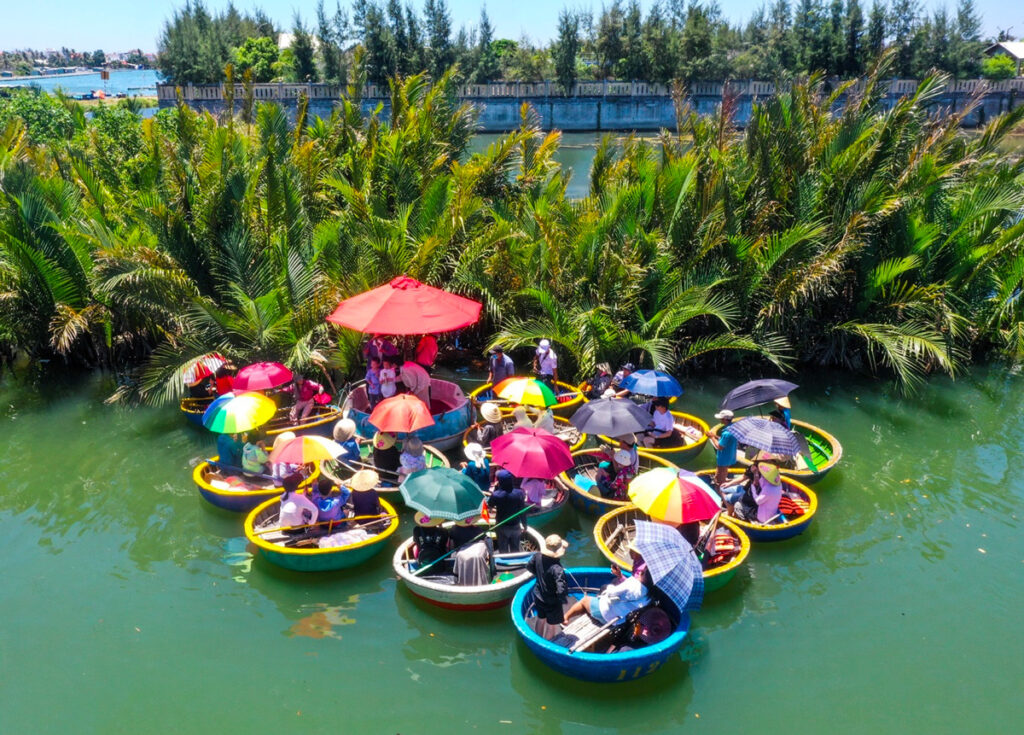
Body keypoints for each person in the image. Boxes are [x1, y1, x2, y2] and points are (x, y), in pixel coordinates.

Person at [564, 544, 651, 625]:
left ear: (642, 574)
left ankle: (565, 618)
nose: (629, 552)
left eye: (642, 573)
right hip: (620, 620)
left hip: (607, 615)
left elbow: (610, 593)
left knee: (585, 600)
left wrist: (610, 587)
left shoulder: (633, 582)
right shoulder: (650, 592)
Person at [529, 534, 570, 635]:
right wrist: (563, 600)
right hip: (552, 601)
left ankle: (538, 638)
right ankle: (548, 642)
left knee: (540, 618)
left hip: (539, 595)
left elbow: (529, 566)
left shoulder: (537, 556)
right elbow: (561, 589)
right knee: (551, 624)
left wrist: (539, 576)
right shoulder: (557, 568)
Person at [488, 469, 526, 553]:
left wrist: (496, 489)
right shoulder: (519, 493)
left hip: (501, 526)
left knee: (503, 549)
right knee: (515, 549)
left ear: (499, 482)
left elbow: (490, 506)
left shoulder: (496, 495)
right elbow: (522, 511)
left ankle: (503, 564)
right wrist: (525, 525)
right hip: (515, 526)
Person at [708, 409, 738, 487]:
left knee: (719, 474)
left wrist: (712, 437)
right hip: (730, 454)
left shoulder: (726, 433)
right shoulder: (733, 428)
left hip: (724, 456)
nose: (720, 420)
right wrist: (716, 437)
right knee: (724, 469)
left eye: (721, 418)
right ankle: (724, 478)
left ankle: (720, 485)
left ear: (724, 419)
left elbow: (719, 447)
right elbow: (726, 440)